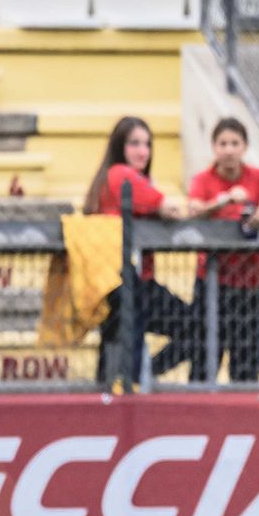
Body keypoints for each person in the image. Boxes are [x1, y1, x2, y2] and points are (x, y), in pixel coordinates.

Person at [82, 116, 192, 383]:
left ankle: (133, 380)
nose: (143, 151)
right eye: (134, 144)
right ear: (120, 147)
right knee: (196, 327)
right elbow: (169, 208)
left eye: (147, 144)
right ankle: (141, 376)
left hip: (115, 283)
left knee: (115, 351)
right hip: (127, 282)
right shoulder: (121, 175)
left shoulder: (113, 178)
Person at [187, 117, 259, 382]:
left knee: (246, 364)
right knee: (203, 363)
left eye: (235, 143)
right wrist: (223, 201)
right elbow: (193, 208)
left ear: (244, 147)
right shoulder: (204, 179)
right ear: (214, 147)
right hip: (211, 285)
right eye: (223, 143)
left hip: (249, 285)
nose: (229, 149)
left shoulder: (256, 177)